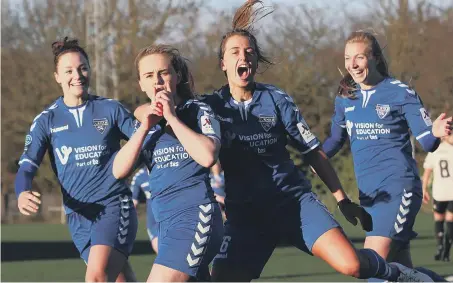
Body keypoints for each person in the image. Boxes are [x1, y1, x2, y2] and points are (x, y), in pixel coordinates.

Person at [172, 1, 432, 281]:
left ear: (257, 62)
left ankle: (402, 275)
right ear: (223, 63)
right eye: (234, 52)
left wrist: (342, 199)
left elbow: (313, 152)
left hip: (293, 203)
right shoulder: (209, 107)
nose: (243, 56)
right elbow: (163, 119)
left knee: (352, 266)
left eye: (249, 52)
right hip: (246, 216)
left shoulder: (277, 99)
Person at [322, 29, 453, 274]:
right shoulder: (345, 98)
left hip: (398, 190)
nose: (352, 64)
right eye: (347, 58)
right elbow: (334, 141)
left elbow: (427, 142)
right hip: (370, 198)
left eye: (359, 57)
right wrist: (310, 153)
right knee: (398, 270)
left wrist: (435, 131)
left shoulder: (401, 92)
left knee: (371, 267)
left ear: (375, 58)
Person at [14, 37, 138, 282]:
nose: (77, 75)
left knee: (95, 278)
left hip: (112, 205)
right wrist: (21, 191)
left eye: (82, 68)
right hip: (78, 218)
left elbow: (145, 142)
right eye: (68, 70)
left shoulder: (111, 109)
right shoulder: (46, 121)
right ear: (57, 77)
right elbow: (27, 167)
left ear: (90, 70)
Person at [112, 44, 224, 282]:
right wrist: (144, 127)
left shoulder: (197, 111)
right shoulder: (147, 124)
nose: (157, 81)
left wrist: (171, 117)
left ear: (178, 76)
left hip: (195, 216)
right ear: (141, 84)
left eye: (163, 73)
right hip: (166, 224)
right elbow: (118, 170)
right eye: (149, 76)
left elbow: (207, 156)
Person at [422, 134, 453, 262]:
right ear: (446, 136)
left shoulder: (434, 150)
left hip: (439, 192)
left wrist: (423, 189)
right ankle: (445, 250)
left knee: (439, 220)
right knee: (449, 221)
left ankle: (441, 247)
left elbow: (427, 172)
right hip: (450, 191)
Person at [130, 166, 158, 253]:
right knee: (159, 249)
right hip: (153, 219)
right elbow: (133, 201)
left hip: (171, 214)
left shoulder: (168, 168)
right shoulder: (139, 176)